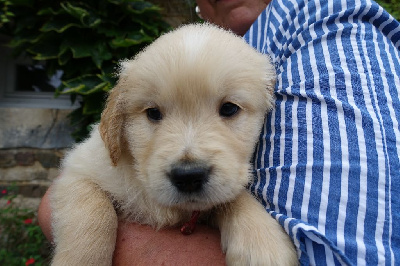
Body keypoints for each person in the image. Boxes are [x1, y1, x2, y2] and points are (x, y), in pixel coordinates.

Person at [39, 0, 400, 264]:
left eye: (229, 110)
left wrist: (237, 211)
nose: (188, 157)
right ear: (118, 117)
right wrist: (86, 247)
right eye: (154, 113)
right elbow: (78, 178)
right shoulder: (114, 151)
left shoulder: (326, 23)